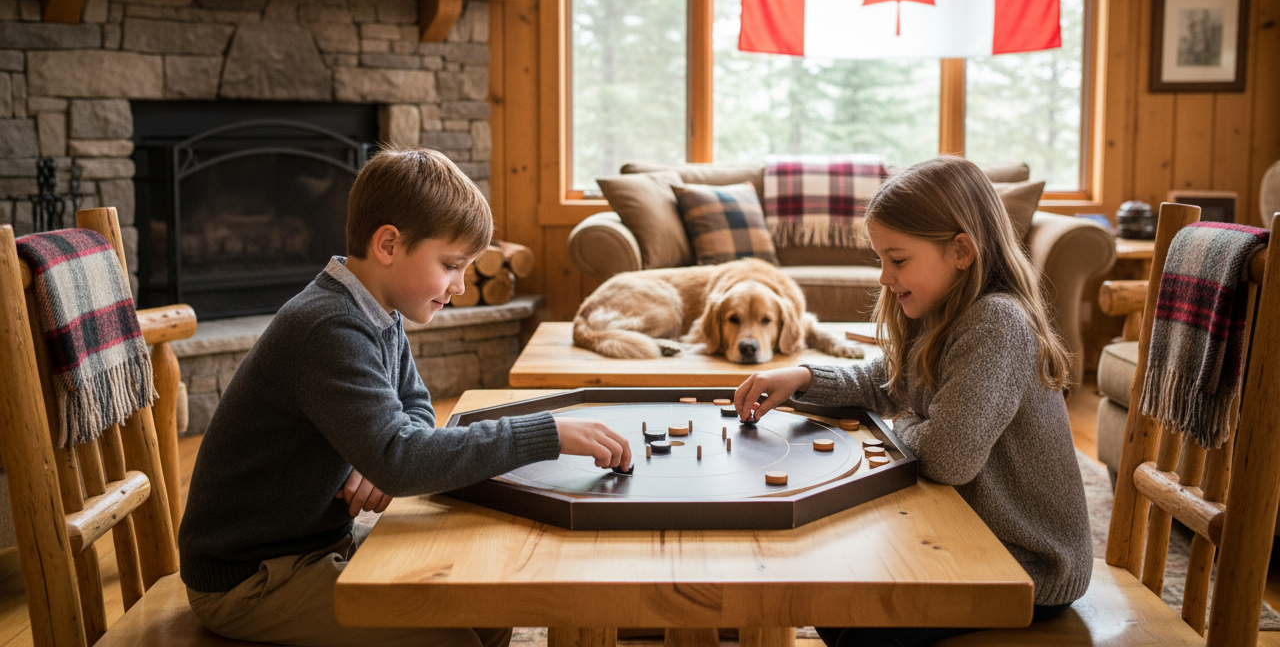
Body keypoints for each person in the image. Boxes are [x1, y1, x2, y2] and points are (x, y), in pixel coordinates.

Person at [180, 147, 632, 647]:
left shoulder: (374, 311)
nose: (460, 285)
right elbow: (403, 457)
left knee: (488, 597)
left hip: (312, 544)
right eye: (451, 265)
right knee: (453, 639)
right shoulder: (330, 328)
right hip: (253, 578)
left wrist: (373, 455)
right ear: (389, 244)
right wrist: (545, 433)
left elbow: (414, 407)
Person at [734, 156, 1091, 647]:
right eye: (880, 260)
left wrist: (901, 422)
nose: (884, 277)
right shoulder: (943, 308)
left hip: (1025, 565)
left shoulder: (997, 323)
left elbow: (947, 457)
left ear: (961, 251)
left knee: (857, 629)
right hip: (970, 538)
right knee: (831, 603)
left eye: (897, 260)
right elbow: (889, 380)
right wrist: (801, 377)